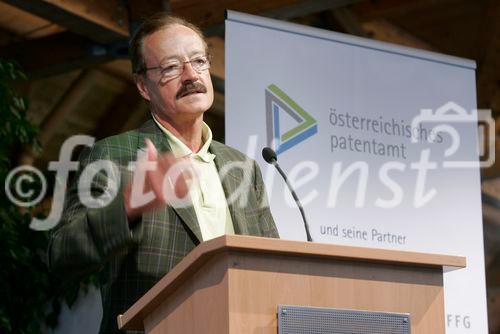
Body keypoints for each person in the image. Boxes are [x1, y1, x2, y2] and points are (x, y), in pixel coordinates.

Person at [48, 13, 279, 334]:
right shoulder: (113, 156)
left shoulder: (242, 167)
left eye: (198, 61)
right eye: (171, 67)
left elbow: (273, 266)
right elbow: (61, 257)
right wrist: (127, 207)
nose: (190, 75)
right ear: (143, 86)